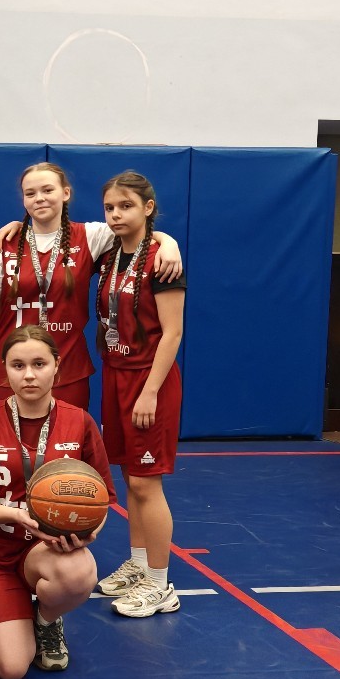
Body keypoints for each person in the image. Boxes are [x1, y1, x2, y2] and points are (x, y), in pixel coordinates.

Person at [0, 325, 113, 679]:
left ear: (57, 366)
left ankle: (46, 620)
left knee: (79, 570)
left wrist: (88, 532)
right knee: (11, 669)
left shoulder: (80, 422)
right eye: (18, 365)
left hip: (46, 550)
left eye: (39, 364)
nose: (29, 375)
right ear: (4, 369)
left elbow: (101, 499)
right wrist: (18, 515)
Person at [0, 162, 183, 410]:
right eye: (30, 193)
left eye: (48, 190)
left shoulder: (91, 235)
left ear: (65, 193)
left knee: (68, 435)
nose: (39, 198)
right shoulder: (6, 243)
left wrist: (168, 242)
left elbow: (137, 229)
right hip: (13, 369)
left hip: (68, 369)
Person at [92, 171, 186, 618]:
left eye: (126, 206)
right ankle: (139, 564)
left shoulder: (163, 262)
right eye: (110, 207)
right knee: (131, 477)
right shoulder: (109, 255)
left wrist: (149, 392)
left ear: (148, 207)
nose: (116, 214)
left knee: (148, 482)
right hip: (116, 375)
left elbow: (173, 333)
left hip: (150, 381)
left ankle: (160, 584)